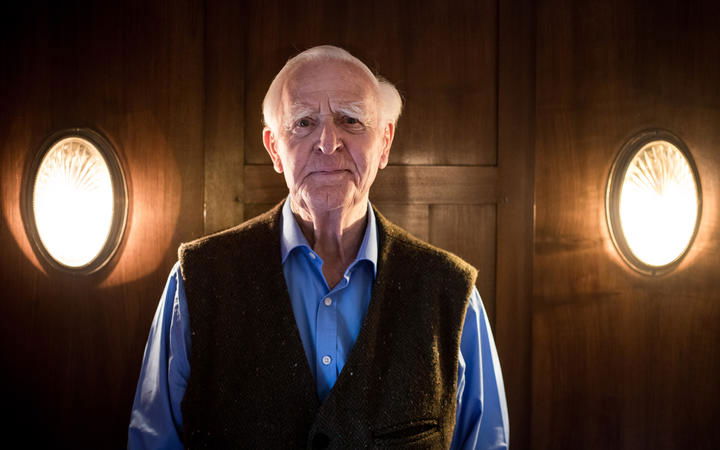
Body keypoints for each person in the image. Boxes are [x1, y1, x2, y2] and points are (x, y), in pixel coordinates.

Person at [128, 45, 508, 449]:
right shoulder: (195, 282)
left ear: (385, 142)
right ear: (274, 148)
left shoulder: (452, 295)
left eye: (351, 120)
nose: (329, 142)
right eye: (304, 122)